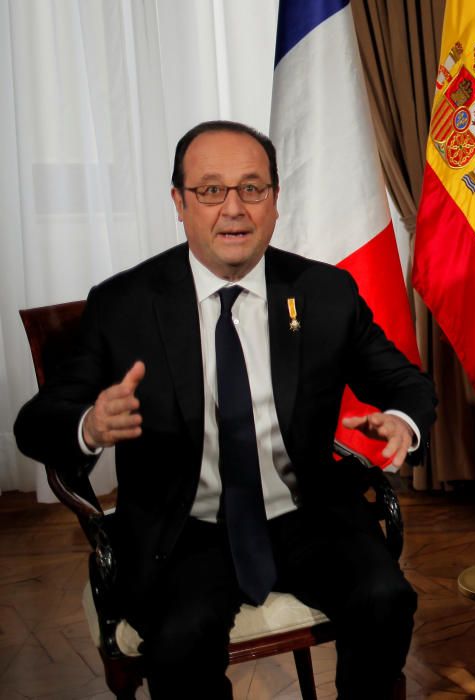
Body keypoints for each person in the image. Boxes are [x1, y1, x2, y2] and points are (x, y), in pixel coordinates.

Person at [15, 120, 436, 699]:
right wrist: (88, 424)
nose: (233, 208)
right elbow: (35, 421)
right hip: (184, 525)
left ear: (275, 201)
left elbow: (408, 386)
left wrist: (402, 422)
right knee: (181, 641)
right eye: (211, 190)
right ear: (179, 203)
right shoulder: (124, 304)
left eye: (252, 188)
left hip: (304, 512)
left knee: (385, 599)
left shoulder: (323, 293)